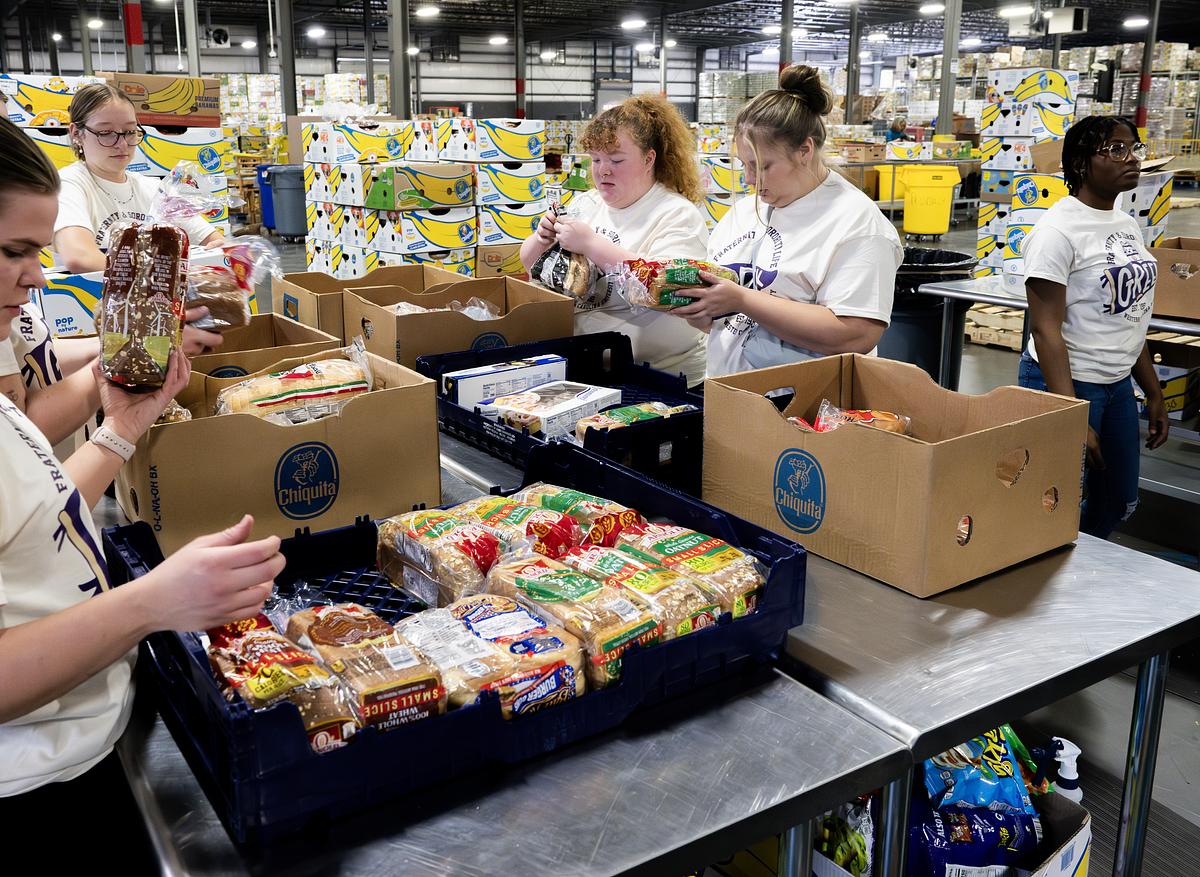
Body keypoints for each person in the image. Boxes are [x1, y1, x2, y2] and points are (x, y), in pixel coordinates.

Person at [0, 117, 282, 864]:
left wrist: (122, 424)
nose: (36, 277)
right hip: (30, 782)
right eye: (13, 252)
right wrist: (152, 602)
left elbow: (36, 518)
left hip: (84, 735)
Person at [668, 65, 902, 378]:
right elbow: (721, 317)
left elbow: (856, 333)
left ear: (804, 150)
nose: (751, 180)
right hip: (730, 395)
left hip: (808, 410)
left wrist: (742, 299)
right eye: (745, 166)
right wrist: (701, 311)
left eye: (763, 166)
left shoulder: (857, 224)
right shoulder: (745, 211)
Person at [1019, 114, 1168, 539]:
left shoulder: (1124, 223)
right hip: (1068, 383)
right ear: (1083, 163)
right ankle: (1047, 581)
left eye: (1134, 148)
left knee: (1118, 500)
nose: (1133, 159)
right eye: (1117, 149)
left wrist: (1153, 392)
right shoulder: (1055, 232)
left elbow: (1130, 313)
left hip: (1118, 384)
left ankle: (1079, 566)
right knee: (1052, 502)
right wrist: (1070, 414)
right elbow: (1045, 330)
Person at [519, 94, 709, 384]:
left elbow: (666, 288)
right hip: (585, 367)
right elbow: (532, 267)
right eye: (595, 159)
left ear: (649, 159)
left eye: (616, 160)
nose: (603, 170)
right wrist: (541, 239)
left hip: (659, 378)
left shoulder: (676, 215)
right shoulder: (587, 204)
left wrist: (591, 244)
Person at [53, 82, 224, 274]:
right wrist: (159, 275)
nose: (123, 144)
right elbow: (79, 257)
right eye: (106, 133)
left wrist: (218, 253)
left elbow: (213, 240)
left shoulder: (151, 188)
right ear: (77, 133)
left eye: (130, 132)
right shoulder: (69, 184)